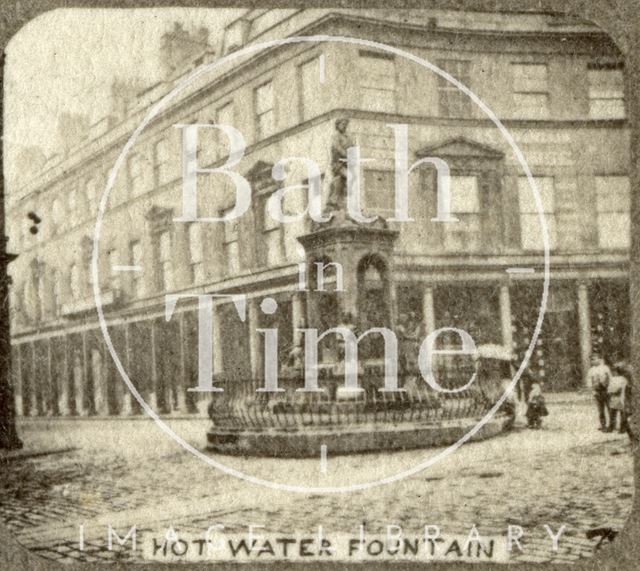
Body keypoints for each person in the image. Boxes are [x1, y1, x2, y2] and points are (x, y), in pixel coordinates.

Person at [586, 354, 612, 431]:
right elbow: (589, 381)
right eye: (591, 360)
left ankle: (611, 425)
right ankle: (603, 424)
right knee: (600, 410)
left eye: (594, 359)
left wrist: (610, 388)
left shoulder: (605, 368)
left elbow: (610, 378)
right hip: (597, 391)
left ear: (599, 359)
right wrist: (593, 390)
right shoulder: (591, 370)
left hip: (606, 390)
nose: (593, 361)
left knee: (610, 408)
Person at [607, 363, 628, 433]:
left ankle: (623, 428)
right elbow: (609, 387)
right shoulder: (612, 379)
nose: (613, 372)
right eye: (613, 371)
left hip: (620, 397)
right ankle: (611, 427)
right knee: (612, 413)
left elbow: (622, 388)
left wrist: (615, 390)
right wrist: (610, 392)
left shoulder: (623, 379)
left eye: (615, 371)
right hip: (613, 397)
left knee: (622, 413)